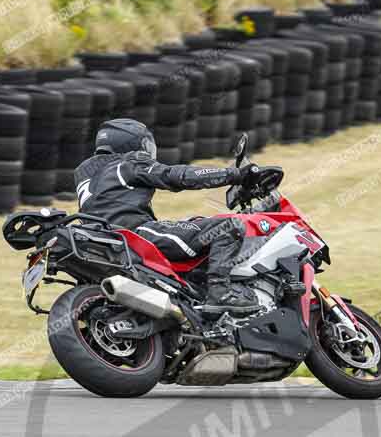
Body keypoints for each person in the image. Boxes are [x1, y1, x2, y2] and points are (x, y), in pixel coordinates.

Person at [74, 118, 258, 313]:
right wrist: (235, 174)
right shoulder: (128, 162)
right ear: (129, 142)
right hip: (134, 234)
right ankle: (220, 292)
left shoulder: (85, 171)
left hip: (100, 238)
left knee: (190, 224)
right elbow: (176, 175)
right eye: (145, 145)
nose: (148, 151)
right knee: (229, 226)